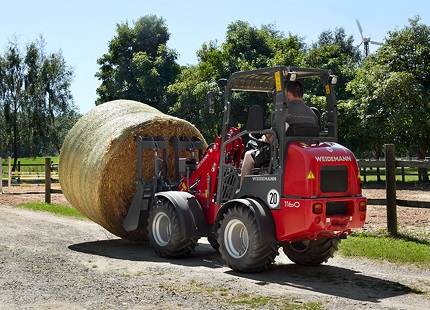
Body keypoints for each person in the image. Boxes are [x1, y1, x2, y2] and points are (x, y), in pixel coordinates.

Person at [239, 80, 318, 188]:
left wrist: (263, 138)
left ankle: (243, 190)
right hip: (303, 152)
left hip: (283, 155)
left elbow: (270, 138)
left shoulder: (284, 113)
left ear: (288, 93)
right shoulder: (312, 114)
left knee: (249, 156)